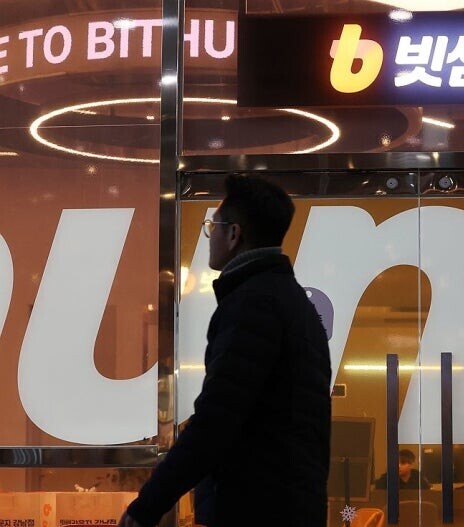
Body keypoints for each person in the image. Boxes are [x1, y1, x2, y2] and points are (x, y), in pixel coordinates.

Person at [120, 175, 332, 527]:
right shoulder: (292, 302)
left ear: (234, 234)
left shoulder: (253, 306)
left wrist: (147, 506)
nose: (210, 236)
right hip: (289, 506)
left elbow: (217, 419)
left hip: (255, 508)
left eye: (212, 227)